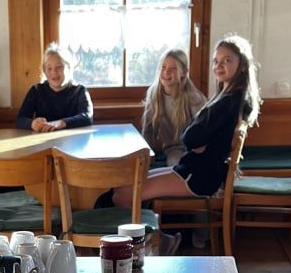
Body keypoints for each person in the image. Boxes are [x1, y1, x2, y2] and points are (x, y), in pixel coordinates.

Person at [112, 35, 261, 256]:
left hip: (200, 175)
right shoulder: (226, 96)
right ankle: (159, 240)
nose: (219, 65)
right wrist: (196, 137)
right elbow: (193, 135)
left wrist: (196, 138)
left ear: (241, 65)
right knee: (125, 186)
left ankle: (154, 244)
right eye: (216, 60)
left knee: (122, 196)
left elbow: (189, 137)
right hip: (195, 167)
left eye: (226, 60)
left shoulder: (229, 101)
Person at [141, 49, 207, 167]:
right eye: (163, 67)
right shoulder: (153, 94)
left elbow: (205, 129)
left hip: (194, 149)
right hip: (173, 150)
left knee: (181, 166)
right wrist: (145, 157)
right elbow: (148, 130)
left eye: (173, 68)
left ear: (184, 72)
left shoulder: (193, 97)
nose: (166, 72)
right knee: (174, 162)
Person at [16, 44, 93, 133]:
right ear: (44, 71)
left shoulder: (80, 91)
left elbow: (87, 116)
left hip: (72, 141)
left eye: (59, 67)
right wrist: (32, 123)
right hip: (41, 140)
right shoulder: (36, 90)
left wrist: (61, 123)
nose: (54, 72)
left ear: (69, 68)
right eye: (49, 68)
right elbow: (20, 119)